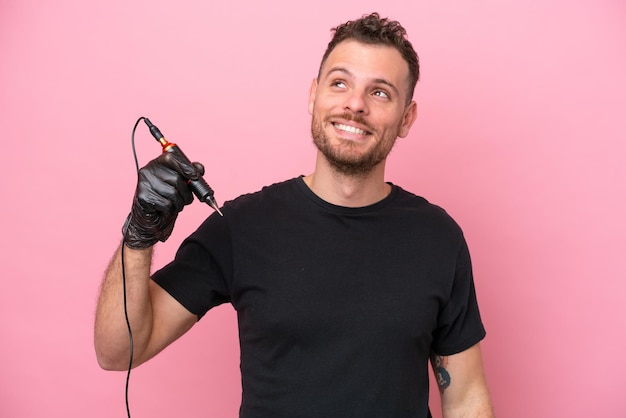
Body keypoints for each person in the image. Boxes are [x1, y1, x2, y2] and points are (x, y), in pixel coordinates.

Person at [95, 12, 495, 418]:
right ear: (313, 96)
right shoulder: (241, 227)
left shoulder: (438, 237)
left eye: (380, 93)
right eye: (340, 83)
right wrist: (139, 233)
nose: (354, 104)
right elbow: (117, 351)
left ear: (406, 118)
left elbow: (465, 398)